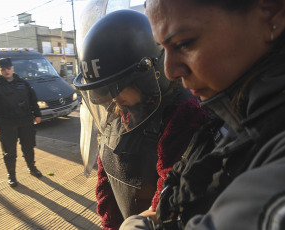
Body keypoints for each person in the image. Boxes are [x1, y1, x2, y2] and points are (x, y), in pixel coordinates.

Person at [120, 0, 285, 229]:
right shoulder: (234, 112)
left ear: (272, 13)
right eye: (162, 50)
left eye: (184, 43)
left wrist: (134, 224)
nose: (169, 71)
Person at [73, 10, 208, 229]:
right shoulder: (120, 111)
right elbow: (105, 178)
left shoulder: (183, 116)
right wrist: (109, 224)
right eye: (105, 89)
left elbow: (165, 200)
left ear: (146, 75)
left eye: (117, 86)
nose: (113, 97)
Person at [0, 57, 43, 188]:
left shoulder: (23, 83)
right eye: (3, 69)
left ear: (13, 68)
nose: (6, 71)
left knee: (29, 147)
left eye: (8, 68)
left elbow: (33, 100)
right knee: (9, 152)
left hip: (26, 121)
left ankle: (32, 168)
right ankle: (11, 175)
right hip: (6, 124)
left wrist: (37, 114)